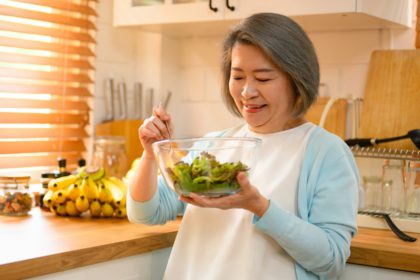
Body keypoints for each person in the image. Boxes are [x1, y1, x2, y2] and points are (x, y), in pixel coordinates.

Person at [127, 12, 359, 280]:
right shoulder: (215, 145)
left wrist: (259, 206)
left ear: (296, 79)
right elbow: (145, 212)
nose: (247, 91)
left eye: (263, 79)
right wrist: (150, 155)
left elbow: (330, 260)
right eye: (238, 77)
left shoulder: (325, 152)